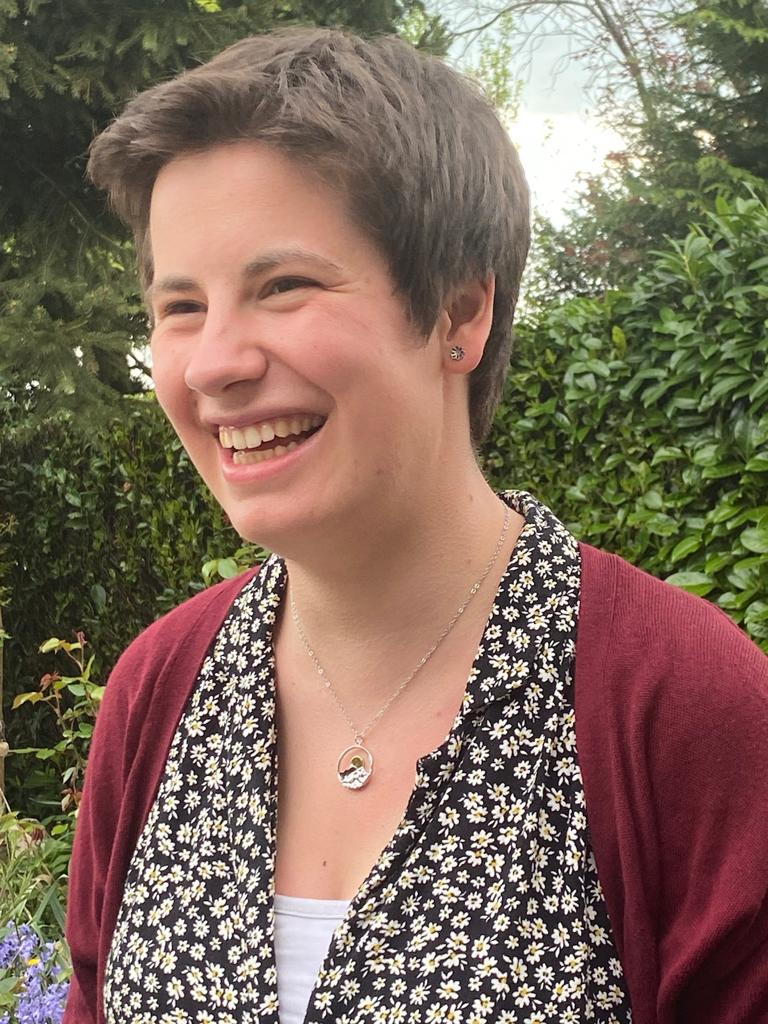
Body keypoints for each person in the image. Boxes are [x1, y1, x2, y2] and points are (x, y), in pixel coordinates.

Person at [63, 27, 768, 1024]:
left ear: (459, 310)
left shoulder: (684, 711)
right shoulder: (156, 693)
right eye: (180, 305)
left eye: (282, 286)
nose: (212, 361)